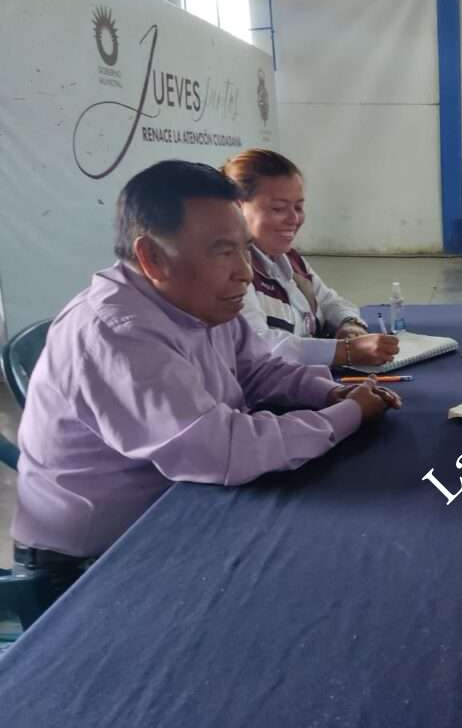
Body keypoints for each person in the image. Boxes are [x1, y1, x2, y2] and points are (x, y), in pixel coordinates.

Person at [10, 161, 400, 606]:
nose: (245, 273)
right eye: (222, 251)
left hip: (177, 511)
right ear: (151, 257)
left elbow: (257, 369)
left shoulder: (194, 298)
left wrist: (329, 392)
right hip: (91, 565)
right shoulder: (117, 332)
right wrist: (347, 415)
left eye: (244, 250)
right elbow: (222, 449)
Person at [222, 149, 399, 367]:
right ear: (238, 207)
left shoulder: (290, 260)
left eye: (298, 207)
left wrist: (351, 326)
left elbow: (330, 301)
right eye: (278, 208)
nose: (293, 219)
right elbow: (258, 346)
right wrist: (345, 352)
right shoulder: (231, 275)